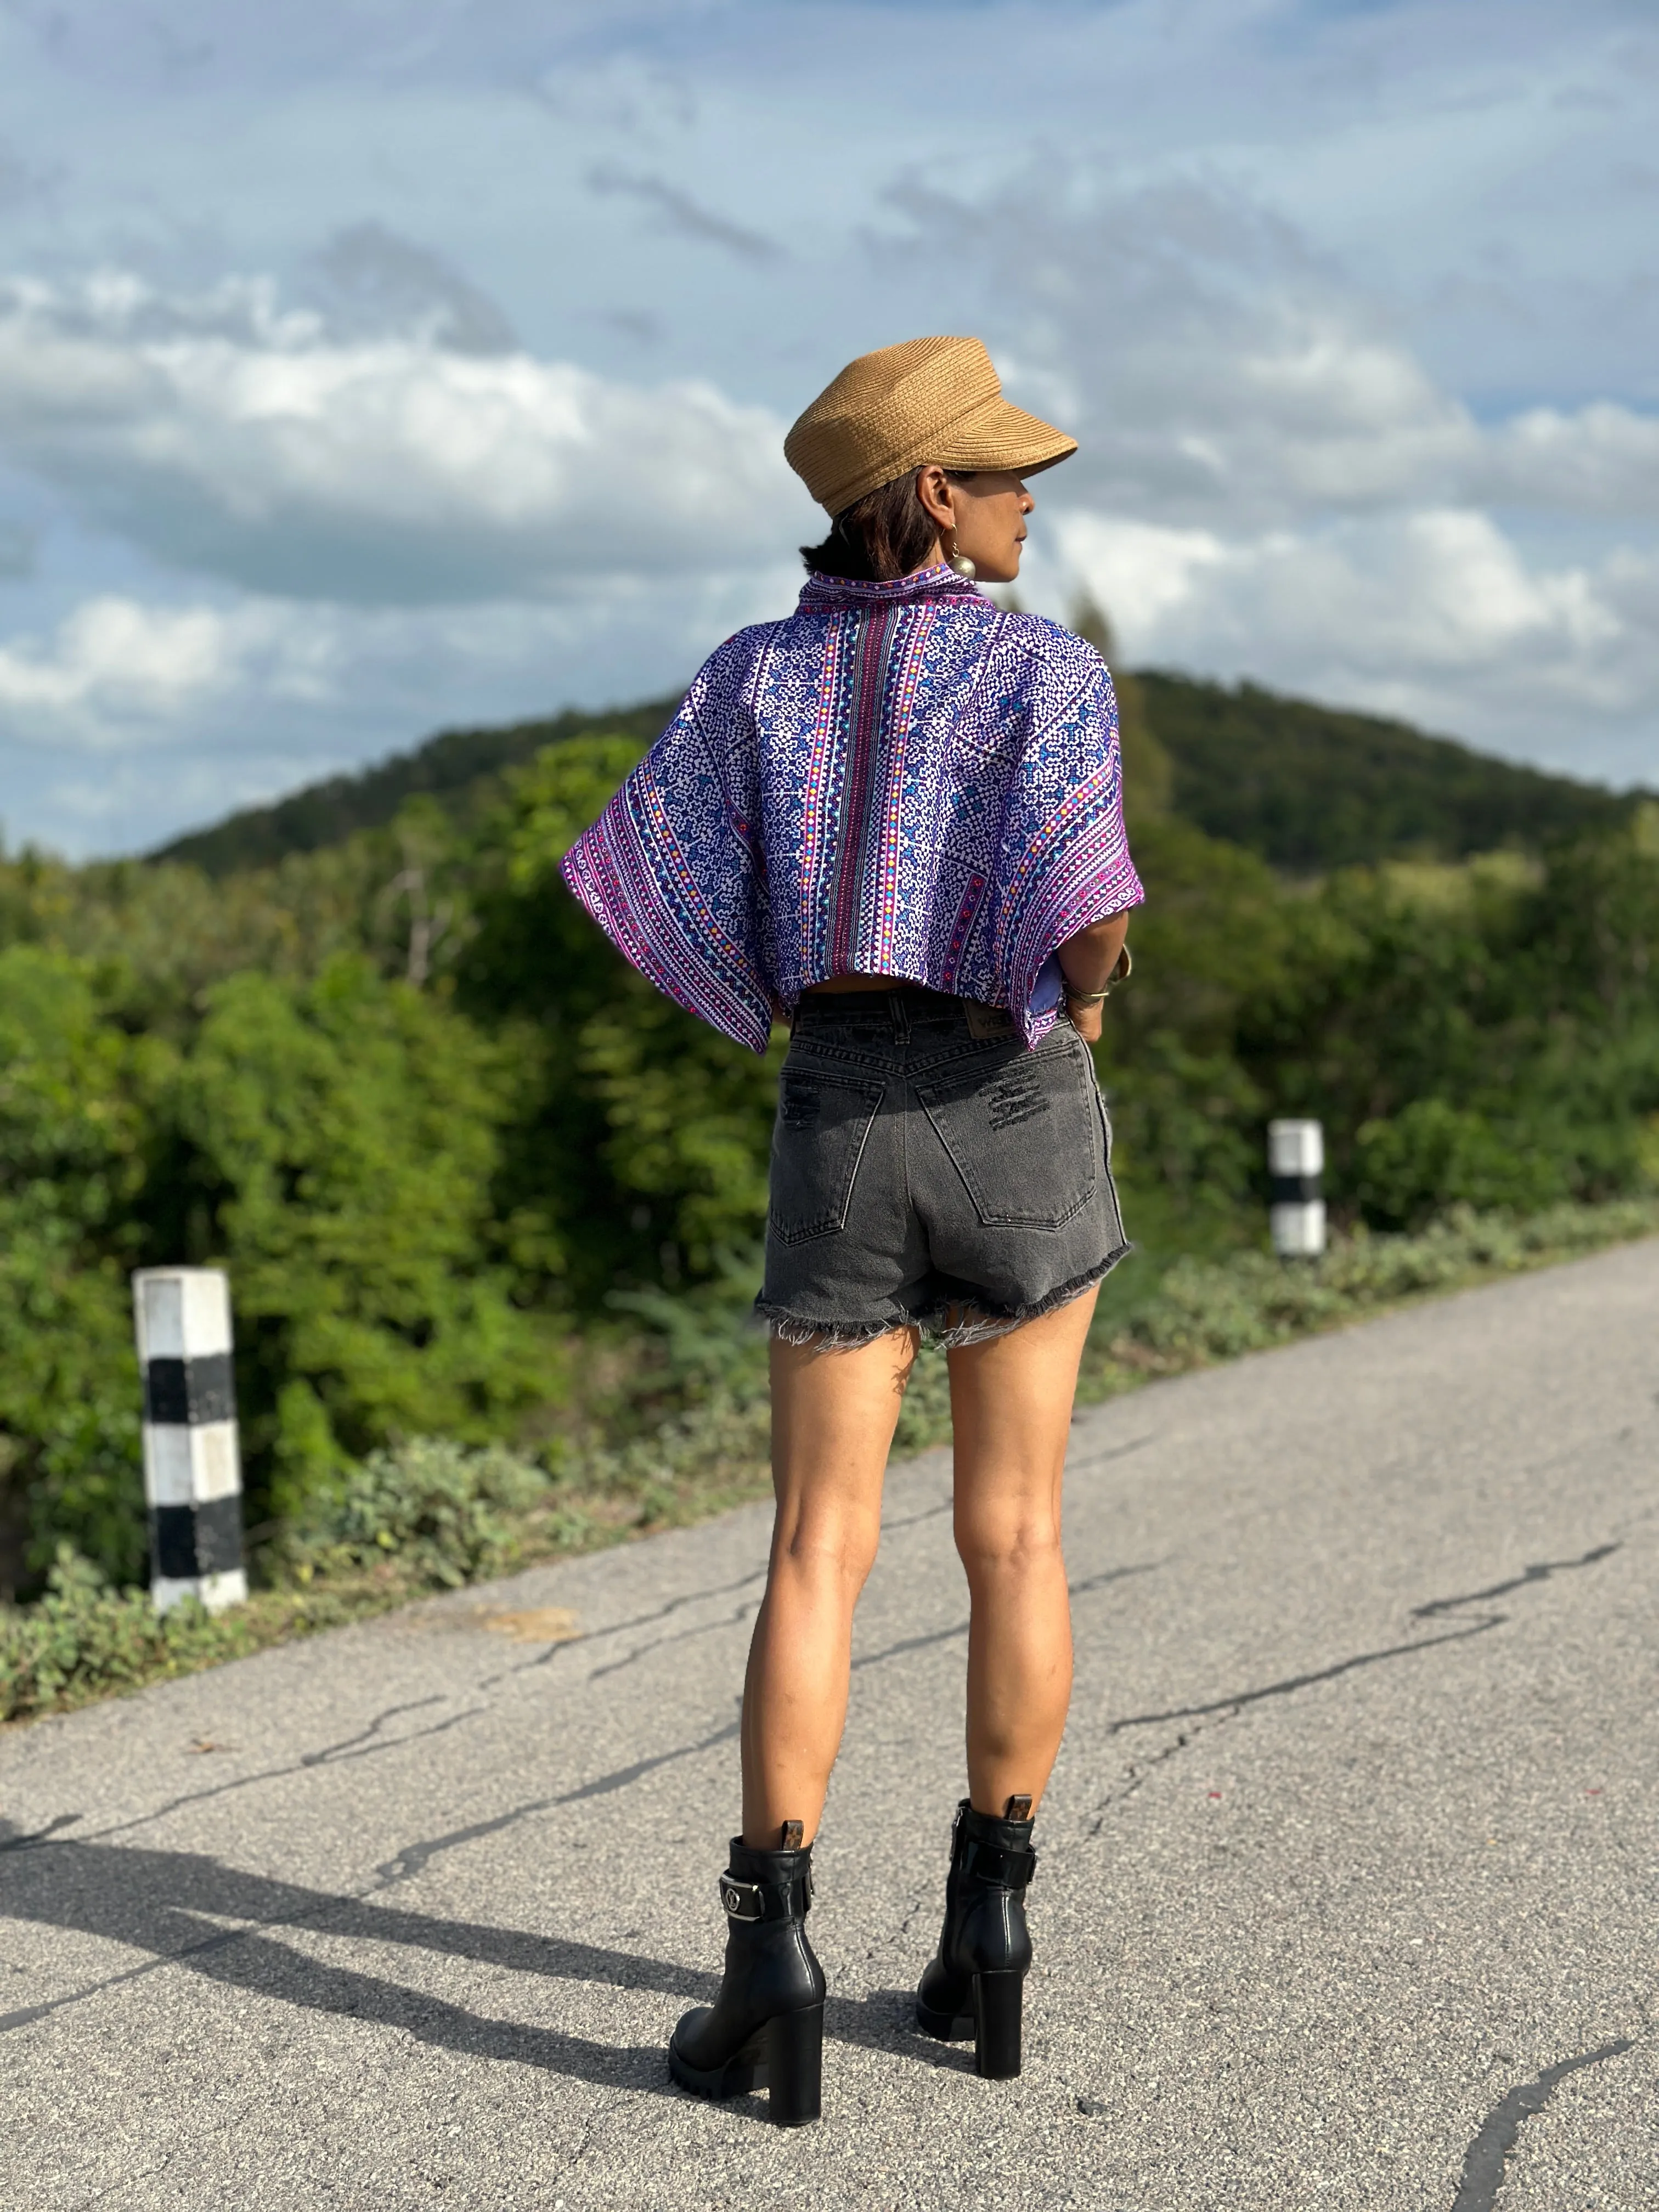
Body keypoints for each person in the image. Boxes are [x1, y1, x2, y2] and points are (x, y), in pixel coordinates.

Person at [563, 335, 1142, 2126]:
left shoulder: (748, 682)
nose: (1032, 495)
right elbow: (1092, 917)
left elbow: (652, 881)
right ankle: (992, 1930)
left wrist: (796, 984)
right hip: (1012, 1104)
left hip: (839, 1115)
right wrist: (1088, 999)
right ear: (934, 498)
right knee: (1016, 1533)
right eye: (1004, 470)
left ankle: (770, 1961)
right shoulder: (1052, 673)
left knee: (819, 1546)